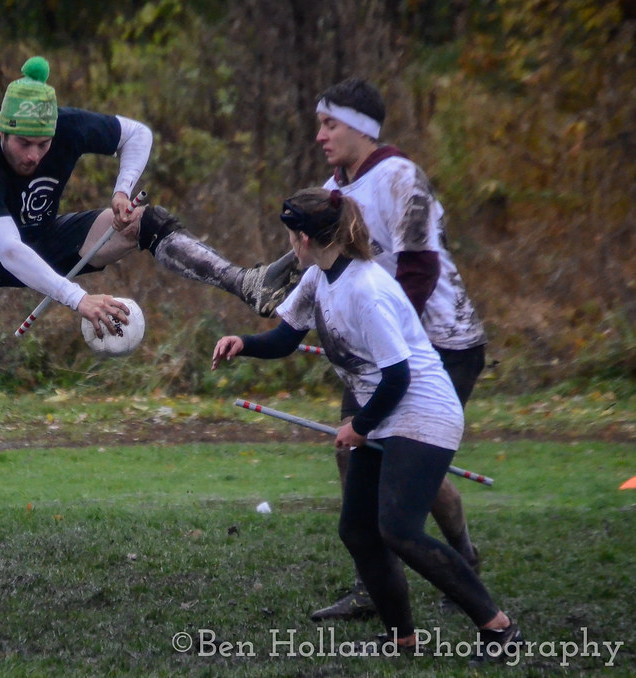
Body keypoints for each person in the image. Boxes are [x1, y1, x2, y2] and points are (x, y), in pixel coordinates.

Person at [0, 56, 297, 469]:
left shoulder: (68, 125)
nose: (33, 156)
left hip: (46, 237)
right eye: (23, 144)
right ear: (2, 131)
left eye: (43, 144)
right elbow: (9, 251)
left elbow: (138, 134)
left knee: (144, 222)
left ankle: (247, 282)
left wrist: (123, 190)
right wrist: (79, 300)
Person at [212, 188, 521, 664]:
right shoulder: (320, 276)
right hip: (384, 411)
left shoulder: (366, 289)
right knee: (358, 530)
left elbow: (398, 373)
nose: (289, 243)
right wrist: (243, 343)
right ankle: (402, 639)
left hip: (422, 411)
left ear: (302, 237)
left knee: (399, 528)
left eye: (289, 235)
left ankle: (498, 629)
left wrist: (358, 427)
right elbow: (285, 336)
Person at [308, 77, 488, 621]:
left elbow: (419, 267)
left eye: (329, 124)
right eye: (319, 124)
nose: (319, 136)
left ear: (361, 127)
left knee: (408, 474)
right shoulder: (334, 190)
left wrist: (379, 333)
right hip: (381, 352)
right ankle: (375, 582)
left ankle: (460, 559)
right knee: (358, 454)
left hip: (442, 345)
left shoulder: (401, 177)